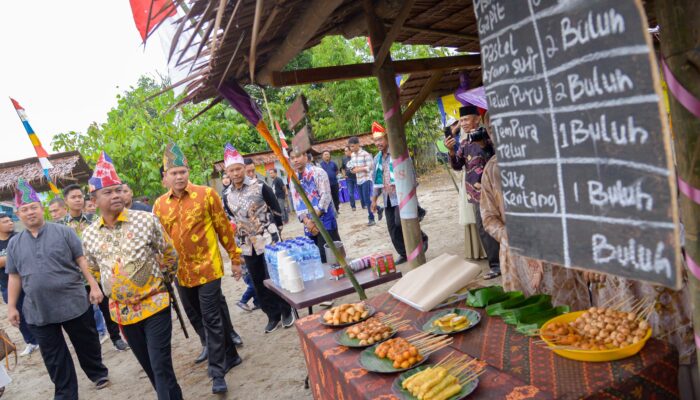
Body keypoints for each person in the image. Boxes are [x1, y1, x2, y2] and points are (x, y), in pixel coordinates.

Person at [83, 152, 182, 400]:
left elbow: (170, 255)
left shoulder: (146, 220)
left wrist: (162, 283)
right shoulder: (89, 235)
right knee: (153, 369)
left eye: (118, 190)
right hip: (122, 312)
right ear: (94, 200)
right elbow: (94, 269)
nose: (116, 195)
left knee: (160, 365)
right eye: (108, 192)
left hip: (155, 303)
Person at [6, 179, 109, 398]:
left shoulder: (64, 232)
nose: (30, 212)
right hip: (38, 310)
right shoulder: (14, 244)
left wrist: (93, 286)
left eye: (33, 207)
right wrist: (12, 306)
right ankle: (65, 392)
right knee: (53, 356)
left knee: (86, 342)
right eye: (25, 209)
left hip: (73, 301)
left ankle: (98, 373)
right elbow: (14, 276)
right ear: (19, 214)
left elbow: (82, 260)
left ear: (41, 208)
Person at [153, 142, 242, 394]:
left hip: (209, 267)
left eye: (182, 172)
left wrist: (235, 258)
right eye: (174, 173)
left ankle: (217, 373)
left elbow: (223, 228)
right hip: (180, 273)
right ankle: (231, 354)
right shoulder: (159, 205)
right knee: (197, 317)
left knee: (211, 316)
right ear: (166, 177)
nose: (179, 177)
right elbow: (159, 240)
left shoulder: (206, 194)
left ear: (188, 172)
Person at [480, 156, 591, 311]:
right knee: (527, 319)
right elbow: (489, 218)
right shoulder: (493, 167)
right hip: (516, 261)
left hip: (560, 261)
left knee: (569, 325)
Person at [222, 144, 293, 332]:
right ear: (227, 172)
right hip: (247, 245)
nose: (236, 173)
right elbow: (230, 217)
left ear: (244, 169)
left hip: (268, 239)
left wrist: (277, 231)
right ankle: (272, 315)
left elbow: (276, 209)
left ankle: (286, 311)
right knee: (258, 281)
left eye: (238, 169)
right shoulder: (226, 196)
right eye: (232, 170)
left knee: (275, 276)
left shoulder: (260, 186)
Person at [60, 184, 128, 351]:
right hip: (76, 278)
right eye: (73, 197)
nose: (77, 200)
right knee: (85, 315)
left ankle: (116, 338)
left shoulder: (94, 220)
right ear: (66, 201)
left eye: (80, 196)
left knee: (107, 308)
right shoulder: (60, 227)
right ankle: (94, 346)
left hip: (99, 273)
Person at [446, 105, 500, 278]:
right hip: (475, 193)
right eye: (461, 120)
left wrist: (484, 144)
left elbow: (494, 155)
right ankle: (495, 265)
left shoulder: (489, 135)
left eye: (466, 119)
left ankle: (505, 260)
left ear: (477, 119)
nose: (463, 123)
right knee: (484, 228)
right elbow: (457, 166)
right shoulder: (464, 142)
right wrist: (451, 151)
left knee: (500, 223)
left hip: (494, 190)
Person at [370, 122, 429, 265]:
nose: (378, 143)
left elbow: (411, 175)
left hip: (402, 196)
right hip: (388, 198)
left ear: (387, 138)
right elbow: (376, 182)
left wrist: (411, 192)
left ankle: (422, 239)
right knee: (392, 228)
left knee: (399, 222)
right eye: (375, 140)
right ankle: (404, 253)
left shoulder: (398, 153)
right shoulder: (377, 159)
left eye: (380, 139)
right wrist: (373, 200)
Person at [288, 149, 341, 262]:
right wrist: (307, 221)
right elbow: (296, 203)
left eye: (298, 156)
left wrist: (313, 220)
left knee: (332, 258)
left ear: (306, 157)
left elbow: (325, 197)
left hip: (324, 221)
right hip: (309, 226)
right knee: (317, 259)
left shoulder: (318, 172)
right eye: (292, 158)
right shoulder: (292, 178)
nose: (295, 160)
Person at [0, 213, 38, 356]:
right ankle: (31, 342)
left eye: (10, 220)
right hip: (6, 286)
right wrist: (12, 257)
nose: (10, 223)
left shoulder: (20, 237)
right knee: (18, 315)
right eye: (5, 221)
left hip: (28, 282)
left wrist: (5, 260)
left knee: (36, 311)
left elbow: (28, 255)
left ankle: (41, 338)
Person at [348, 136, 381, 226]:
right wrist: (352, 170)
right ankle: (378, 208)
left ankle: (371, 219)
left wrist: (359, 169)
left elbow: (371, 167)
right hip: (358, 180)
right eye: (350, 146)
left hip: (366, 179)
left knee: (366, 199)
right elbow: (352, 166)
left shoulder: (365, 154)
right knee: (363, 200)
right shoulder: (352, 155)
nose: (352, 148)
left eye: (353, 146)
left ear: (358, 144)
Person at [340, 146, 357, 211]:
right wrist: (344, 175)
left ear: (350, 151)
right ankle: (353, 206)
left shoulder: (355, 157)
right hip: (349, 178)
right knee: (350, 193)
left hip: (357, 177)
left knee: (361, 191)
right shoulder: (344, 159)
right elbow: (342, 168)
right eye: (345, 151)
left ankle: (364, 204)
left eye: (346, 151)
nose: (345, 152)